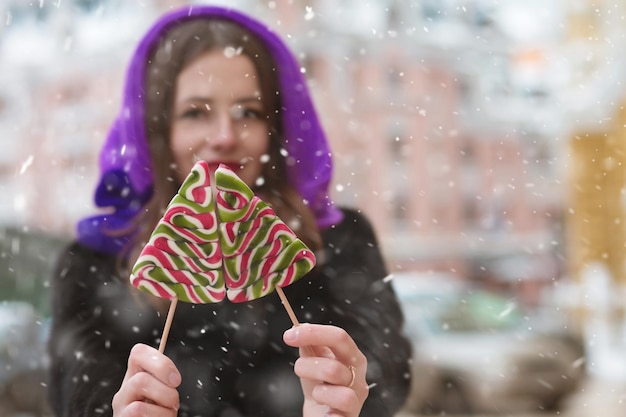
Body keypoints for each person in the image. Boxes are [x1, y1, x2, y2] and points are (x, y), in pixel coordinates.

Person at [47, 5, 412, 417]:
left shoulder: (340, 239)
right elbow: (76, 400)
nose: (224, 137)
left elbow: (388, 376)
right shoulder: (94, 261)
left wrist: (351, 396)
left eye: (248, 113)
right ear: (159, 132)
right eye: (196, 113)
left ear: (275, 129)